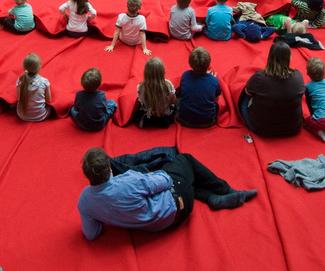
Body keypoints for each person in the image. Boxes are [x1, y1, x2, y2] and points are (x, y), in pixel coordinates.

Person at [77, 146, 257, 241]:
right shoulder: (130, 180)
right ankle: (225, 189)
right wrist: (146, 177)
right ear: (110, 168)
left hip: (158, 224)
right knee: (184, 160)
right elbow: (166, 180)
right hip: (177, 205)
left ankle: (212, 198)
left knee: (183, 177)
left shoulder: (85, 201)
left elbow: (92, 234)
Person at [238, 41, 305, 136]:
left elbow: (248, 93)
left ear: (270, 57)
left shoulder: (259, 77)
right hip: (292, 128)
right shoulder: (298, 76)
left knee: (243, 96)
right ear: (289, 58)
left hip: (262, 128)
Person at [176, 47, 221, 128]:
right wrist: (211, 78)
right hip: (207, 122)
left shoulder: (185, 75)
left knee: (178, 98)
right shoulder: (214, 80)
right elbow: (217, 99)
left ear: (190, 63)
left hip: (184, 119)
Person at [134, 57, 176, 128]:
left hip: (149, 116)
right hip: (164, 116)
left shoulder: (141, 87)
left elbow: (141, 102)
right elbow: (173, 101)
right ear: (162, 71)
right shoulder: (167, 85)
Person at [16, 52, 51, 122]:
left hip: (22, 115)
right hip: (41, 115)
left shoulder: (20, 81)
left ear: (24, 67)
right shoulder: (44, 81)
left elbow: (18, 98)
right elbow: (49, 100)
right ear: (39, 67)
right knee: (50, 108)